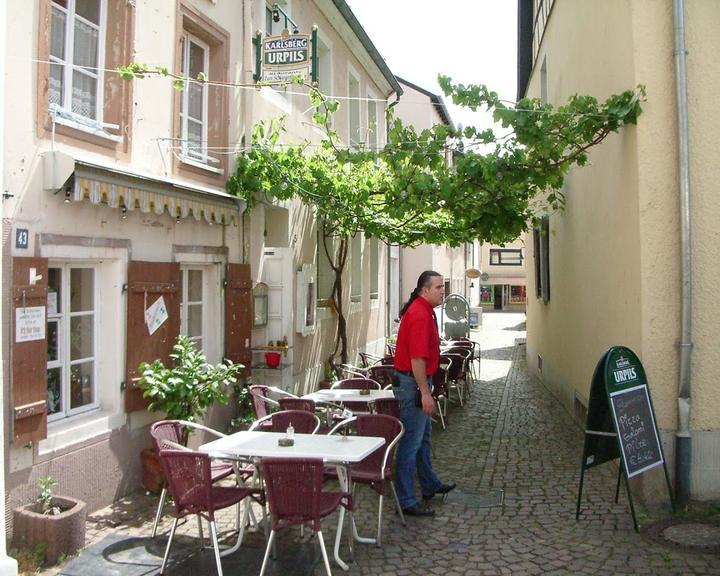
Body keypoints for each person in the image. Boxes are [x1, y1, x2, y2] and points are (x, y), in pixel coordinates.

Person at [392, 271, 456, 516]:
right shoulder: (419, 314)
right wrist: (424, 392)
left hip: (415, 381)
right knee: (411, 442)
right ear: (424, 289)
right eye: (439, 287)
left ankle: (429, 485)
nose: (443, 291)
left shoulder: (424, 310)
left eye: (443, 286)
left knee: (423, 439)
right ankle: (406, 500)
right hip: (412, 383)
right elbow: (417, 358)